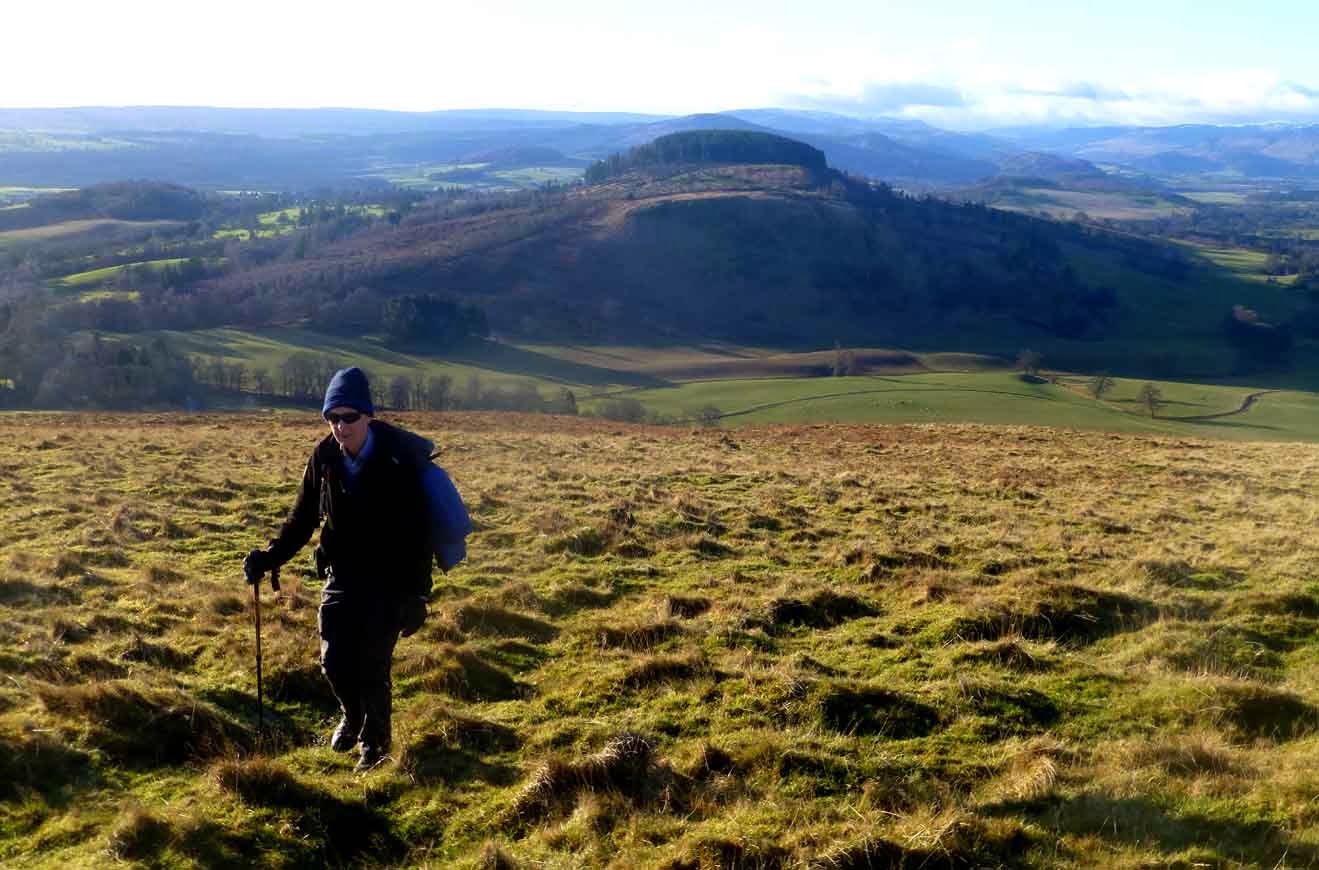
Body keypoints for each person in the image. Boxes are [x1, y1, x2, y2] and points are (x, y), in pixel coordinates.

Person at [243, 366, 469, 771]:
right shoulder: (325, 456)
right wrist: (269, 557)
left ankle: (375, 748)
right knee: (333, 661)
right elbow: (302, 518)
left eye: (349, 417)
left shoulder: (399, 460)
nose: (340, 427)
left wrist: (418, 595)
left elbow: (419, 536)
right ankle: (353, 715)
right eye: (332, 418)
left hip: (391, 581)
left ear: (368, 415)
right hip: (342, 574)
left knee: (373, 666)